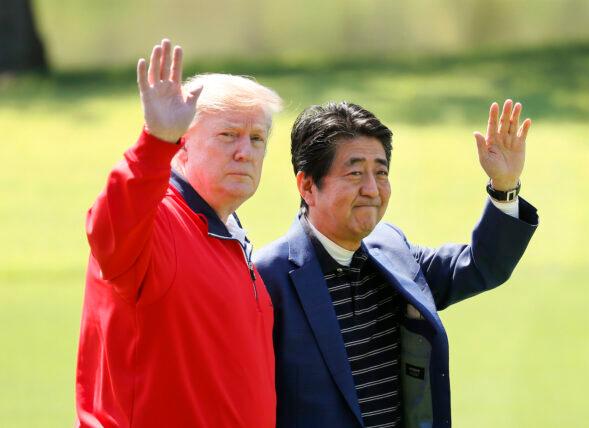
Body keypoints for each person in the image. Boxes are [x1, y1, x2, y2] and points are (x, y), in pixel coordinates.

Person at [254, 100, 538, 428]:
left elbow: (482, 265)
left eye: (381, 172)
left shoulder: (392, 250)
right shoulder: (266, 278)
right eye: (355, 173)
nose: (372, 189)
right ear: (307, 186)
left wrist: (504, 188)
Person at [75, 39, 282, 427]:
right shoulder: (160, 221)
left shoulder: (227, 236)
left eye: (256, 139)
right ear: (182, 144)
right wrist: (155, 144)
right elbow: (109, 229)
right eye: (228, 135)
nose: (245, 152)